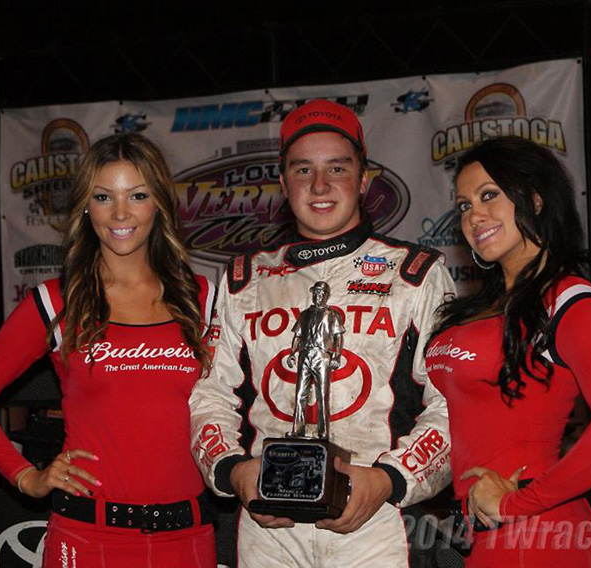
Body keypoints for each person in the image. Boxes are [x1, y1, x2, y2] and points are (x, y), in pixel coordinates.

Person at [189, 99, 456, 567]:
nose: (319, 185)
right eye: (303, 170)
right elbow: (209, 395)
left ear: (364, 178)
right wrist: (233, 471)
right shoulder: (245, 279)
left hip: (376, 523)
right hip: (269, 531)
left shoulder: (415, 275)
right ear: (283, 183)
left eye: (337, 167)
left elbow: (453, 403)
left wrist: (390, 480)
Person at [0, 133, 217, 568]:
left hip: (186, 538)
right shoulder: (57, 302)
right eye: (103, 196)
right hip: (87, 539)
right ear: (86, 206)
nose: (120, 213)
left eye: (138, 195)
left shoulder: (202, 298)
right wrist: (27, 477)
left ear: (159, 203)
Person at [425, 136, 591, 567]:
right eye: (464, 205)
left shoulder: (568, 299)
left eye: (489, 195)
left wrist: (517, 504)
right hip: (476, 535)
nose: (473, 216)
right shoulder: (478, 307)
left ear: (535, 199)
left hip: (536, 535)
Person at [287, 281, 345, 438]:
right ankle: (297, 430)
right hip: (305, 354)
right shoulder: (304, 314)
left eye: (320, 293)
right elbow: (298, 335)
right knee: (300, 394)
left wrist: (337, 355)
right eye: (315, 292)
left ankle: (323, 432)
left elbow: (338, 337)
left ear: (327, 296)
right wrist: (292, 353)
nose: (317, 295)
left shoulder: (333, 315)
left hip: (323, 355)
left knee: (322, 394)